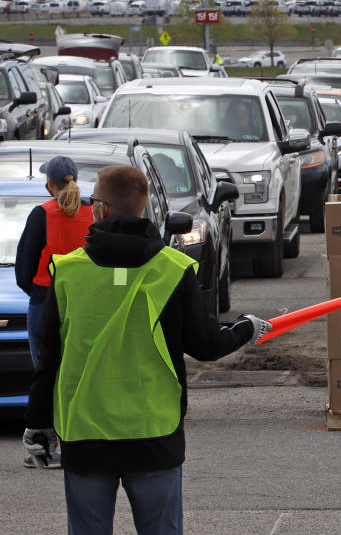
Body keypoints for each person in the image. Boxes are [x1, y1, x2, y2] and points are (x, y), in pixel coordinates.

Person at [23, 165, 272, 534]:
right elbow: (206, 344)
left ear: (101, 209)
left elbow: (49, 358)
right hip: (154, 433)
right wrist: (245, 329)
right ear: (144, 210)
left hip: (85, 435)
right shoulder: (172, 269)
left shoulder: (69, 272)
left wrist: (39, 424)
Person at [15, 156, 94, 470]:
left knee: (47, 376)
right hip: (89, 304)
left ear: (50, 183)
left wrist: (38, 292)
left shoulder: (42, 215)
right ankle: (83, 443)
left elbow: (24, 269)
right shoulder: (94, 211)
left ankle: (49, 449)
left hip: (47, 303)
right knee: (82, 375)